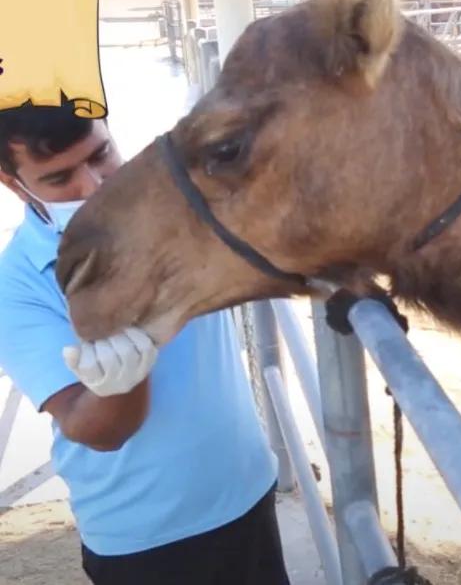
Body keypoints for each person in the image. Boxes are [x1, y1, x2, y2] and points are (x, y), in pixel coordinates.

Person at [0, 102, 289, 585]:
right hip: (145, 535)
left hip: (246, 487)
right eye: (59, 178)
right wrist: (123, 378)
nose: (93, 186)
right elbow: (95, 430)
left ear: (112, 128)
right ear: (14, 183)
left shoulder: (186, 206)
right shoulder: (17, 285)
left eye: (100, 155)